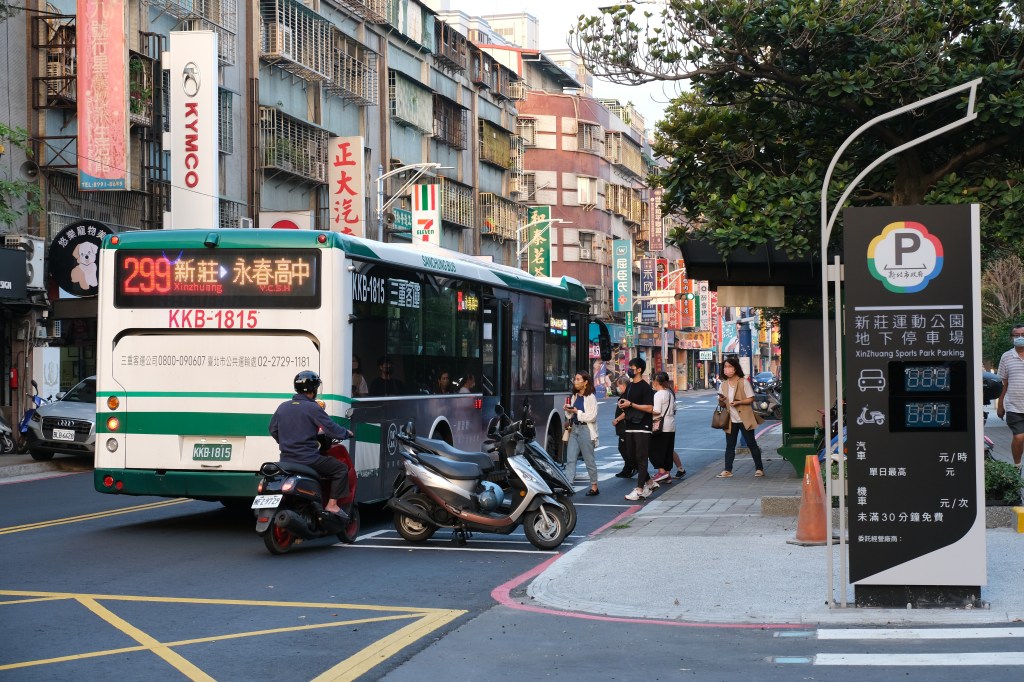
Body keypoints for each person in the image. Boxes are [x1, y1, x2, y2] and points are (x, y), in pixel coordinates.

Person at [269, 371, 354, 517]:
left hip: (286, 460)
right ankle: (332, 505)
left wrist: (286, 441)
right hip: (309, 460)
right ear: (314, 389)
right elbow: (331, 429)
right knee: (340, 468)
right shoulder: (313, 407)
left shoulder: (283, 406)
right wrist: (346, 433)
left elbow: (273, 430)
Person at [715, 357, 765, 478]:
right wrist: (721, 401)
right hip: (730, 419)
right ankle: (727, 470)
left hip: (744, 418)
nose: (727, 369)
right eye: (725, 367)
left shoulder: (743, 382)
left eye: (729, 367)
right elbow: (722, 404)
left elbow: (751, 398)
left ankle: (759, 468)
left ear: (735, 368)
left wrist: (739, 402)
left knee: (751, 443)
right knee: (730, 445)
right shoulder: (723, 385)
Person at [617, 357, 656, 501]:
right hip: (630, 425)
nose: (629, 370)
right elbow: (627, 403)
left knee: (641, 457)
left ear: (639, 370)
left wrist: (631, 404)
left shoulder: (645, 387)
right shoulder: (630, 386)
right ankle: (650, 482)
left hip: (643, 426)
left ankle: (639, 489)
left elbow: (650, 408)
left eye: (632, 368)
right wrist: (623, 405)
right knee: (631, 457)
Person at [564, 371, 600, 496]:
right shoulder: (574, 396)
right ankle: (569, 484)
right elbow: (570, 415)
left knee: (589, 460)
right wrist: (568, 410)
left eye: (579, 379)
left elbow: (592, 417)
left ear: (585, 382)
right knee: (570, 459)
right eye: (575, 379)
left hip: (586, 430)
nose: (576, 381)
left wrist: (576, 411)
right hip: (574, 429)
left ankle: (594, 486)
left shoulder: (590, 397)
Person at [996, 324, 1024, 473]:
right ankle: (1017, 466)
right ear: (1012, 338)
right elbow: (1003, 384)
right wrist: (1000, 405)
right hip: (1014, 406)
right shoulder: (1006, 357)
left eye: (1023, 335)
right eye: (1016, 335)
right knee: (1019, 437)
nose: (1020, 338)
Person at [649, 372, 679, 484]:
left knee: (653, 449)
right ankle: (668, 474)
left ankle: (662, 472)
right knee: (667, 450)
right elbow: (674, 409)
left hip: (661, 426)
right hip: (671, 425)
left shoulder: (658, 394)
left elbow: (657, 411)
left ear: (656, 382)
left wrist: (646, 410)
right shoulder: (670, 393)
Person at [611, 376, 636, 478]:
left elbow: (627, 412)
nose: (618, 388)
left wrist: (617, 420)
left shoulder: (626, 396)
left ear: (623, 385)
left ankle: (635, 466)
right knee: (627, 448)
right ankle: (627, 469)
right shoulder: (628, 394)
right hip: (625, 426)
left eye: (619, 386)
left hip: (625, 426)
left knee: (623, 449)